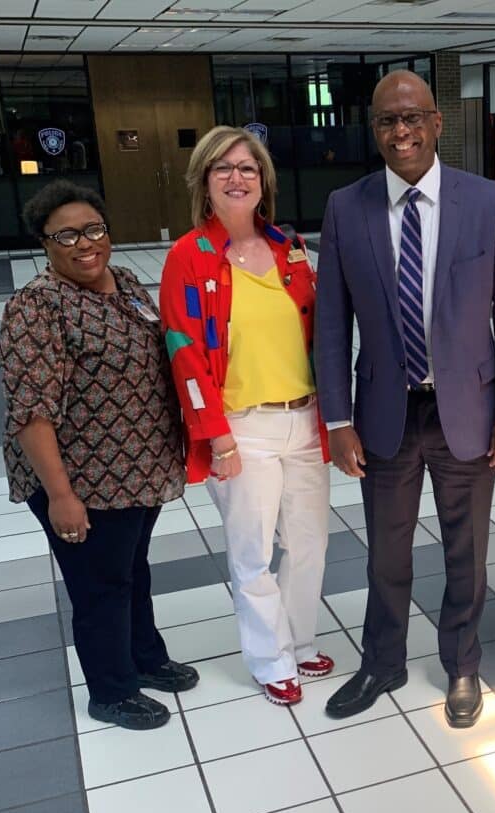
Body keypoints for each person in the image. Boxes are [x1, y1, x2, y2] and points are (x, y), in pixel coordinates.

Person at [315, 71, 495, 728]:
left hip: (465, 411)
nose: (401, 131)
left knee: (465, 550)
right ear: (374, 129)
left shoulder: (486, 201)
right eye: (387, 120)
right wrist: (337, 420)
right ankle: (382, 662)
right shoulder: (344, 207)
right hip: (384, 414)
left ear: (437, 123)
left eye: (412, 118)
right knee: (386, 552)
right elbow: (331, 322)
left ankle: (463, 664)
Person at [0, 180, 197, 731]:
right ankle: (111, 690)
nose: (85, 244)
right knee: (99, 585)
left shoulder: (126, 283)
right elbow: (32, 414)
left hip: (138, 473)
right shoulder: (37, 307)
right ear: (45, 243)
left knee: (130, 570)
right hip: (84, 482)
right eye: (67, 235)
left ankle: (144, 657)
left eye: (93, 229)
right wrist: (60, 496)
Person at [160, 126, 334, 708]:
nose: (238, 178)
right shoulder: (190, 256)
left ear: (265, 182)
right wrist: (217, 438)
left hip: (305, 421)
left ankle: (301, 641)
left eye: (249, 168)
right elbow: (184, 352)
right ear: (204, 183)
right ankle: (270, 658)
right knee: (253, 552)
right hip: (242, 430)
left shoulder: (291, 249)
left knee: (309, 542)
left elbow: (320, 338)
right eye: (223, 169)